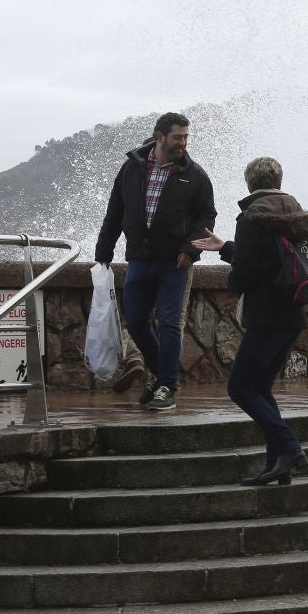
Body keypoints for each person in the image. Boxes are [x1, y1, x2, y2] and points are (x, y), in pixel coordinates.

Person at [192, 157, 308, 486]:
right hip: (293, 313)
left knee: (240, 388)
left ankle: (290, 448)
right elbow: (286, 259)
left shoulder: (251, 218)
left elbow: (245, 274)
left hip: (266, 316)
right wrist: (227, 247)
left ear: (249, 184)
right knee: (260, 388)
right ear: (279, 181)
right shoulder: (295, 214)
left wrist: (233, 278)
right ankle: (277, 464)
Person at [94, 112, 215, 411]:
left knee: (170, 322)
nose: (183, 143)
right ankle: (160, 373)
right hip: (139, 258)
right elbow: (115, 212)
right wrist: (103, 253)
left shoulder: (194, 174)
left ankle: (167, 386)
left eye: (186, 137)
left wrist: (190, 249)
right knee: (136, 321)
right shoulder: (132, 168)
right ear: (160, 137)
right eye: (177, 137)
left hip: (175, 262)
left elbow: (206, 217)